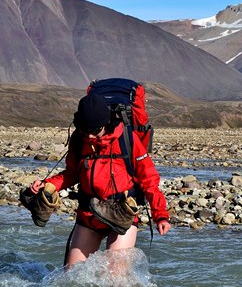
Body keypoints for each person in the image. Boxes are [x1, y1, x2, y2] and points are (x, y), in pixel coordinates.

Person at [25, 93, 171, 268]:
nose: (91, 137)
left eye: (95, 131)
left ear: (106, 123)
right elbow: (72, 173)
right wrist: (47, 184)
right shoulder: (79, 139)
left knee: (116, 277)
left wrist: (160, 215)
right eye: (86, 131)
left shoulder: (128, 139)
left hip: (122, 214)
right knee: (72, 275)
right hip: (89, 214)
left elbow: (148, 178)